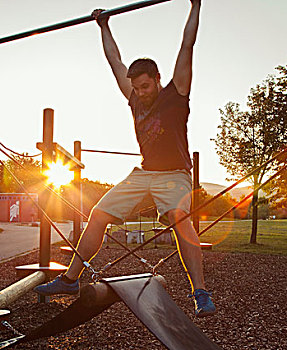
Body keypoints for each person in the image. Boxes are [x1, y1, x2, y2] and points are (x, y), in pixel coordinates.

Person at [35, 0, 215, 317]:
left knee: (179, 218)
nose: (141, 93)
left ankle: (199, 292)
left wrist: (195, 6)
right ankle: (70, 279)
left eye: (145, 86)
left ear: (157, 79)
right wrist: (104, 26)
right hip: (142, 173)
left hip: (175, 175)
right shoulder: (133, 97)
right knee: (99, 214)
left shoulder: (177, 94)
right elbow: (113, 60)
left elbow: (188, 44)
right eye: (136, 87)